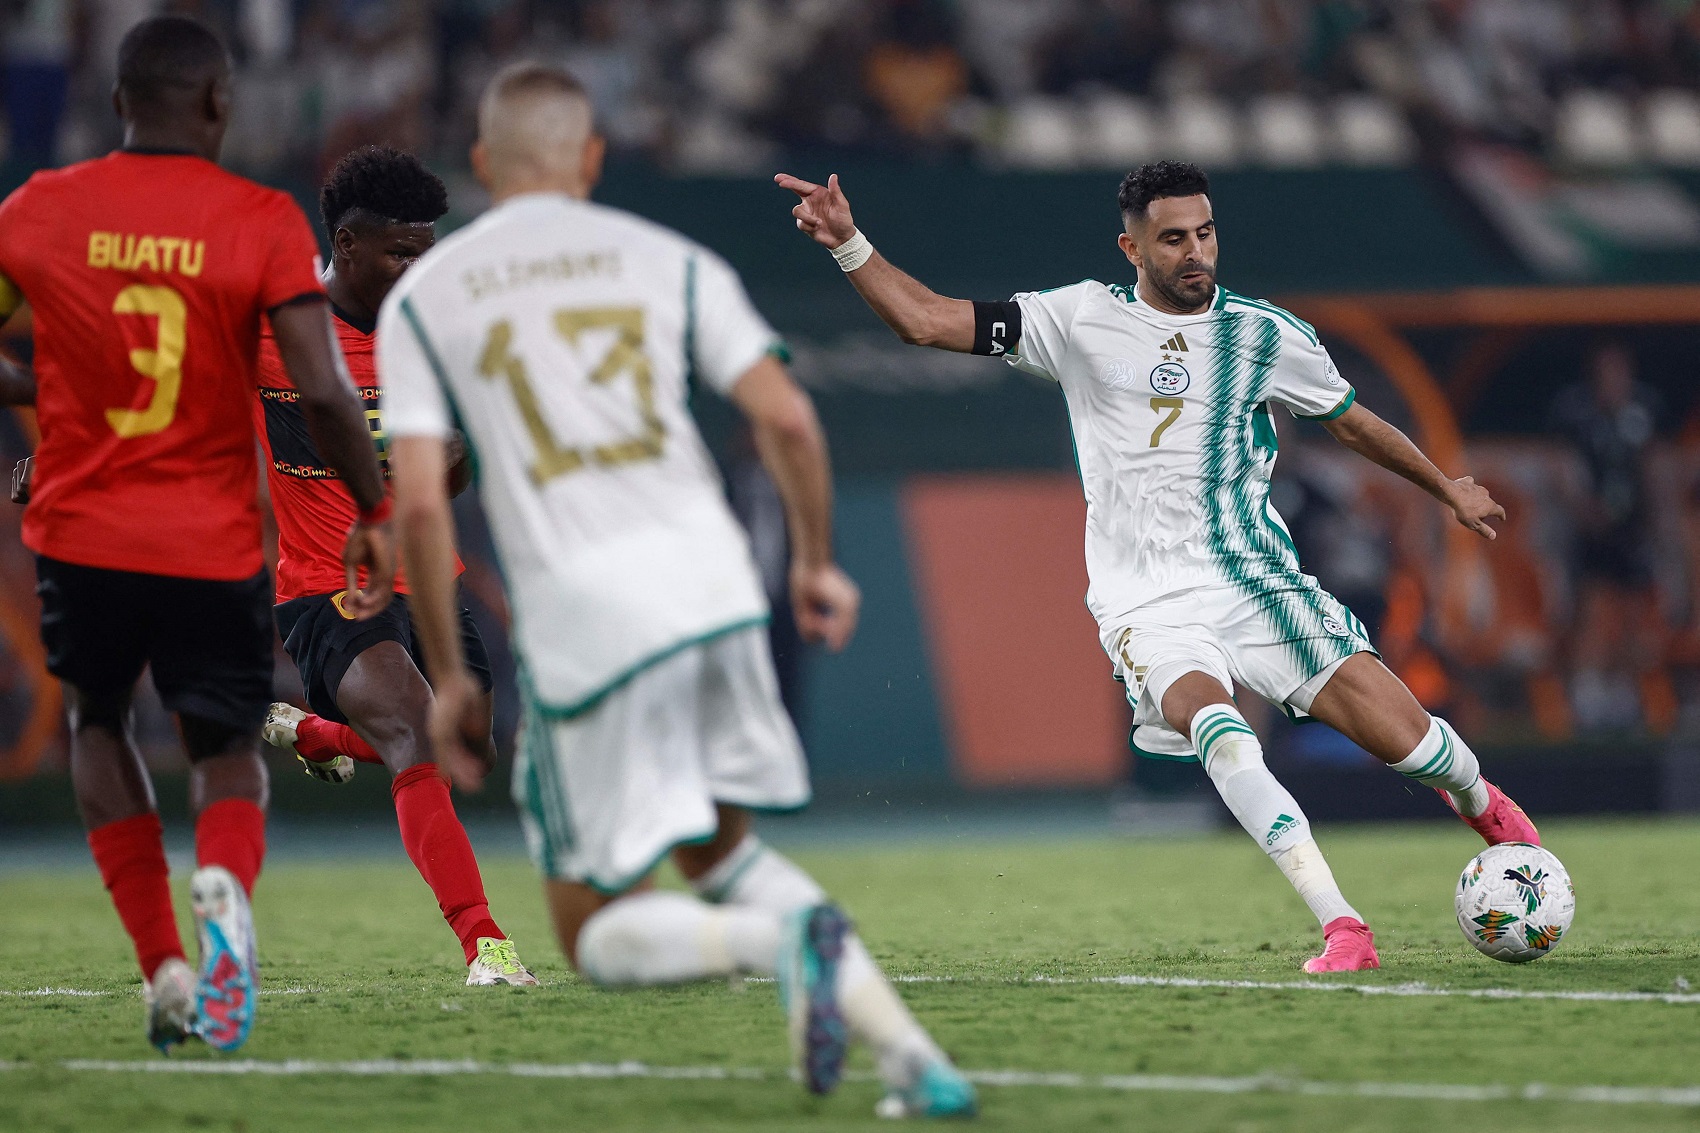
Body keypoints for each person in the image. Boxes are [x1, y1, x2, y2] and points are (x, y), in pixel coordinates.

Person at [381, 63, 976, 1119]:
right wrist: (813, 560)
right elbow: (786, 417)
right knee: (724, 852)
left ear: (479, 163)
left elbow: (421, 506)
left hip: (588, 623)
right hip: (716, 591)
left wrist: (450, 675)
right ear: (592, 157)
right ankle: (916, 1062)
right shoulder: (670, 259)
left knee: (591, 932)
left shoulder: (426, 296)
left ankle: (775, 946)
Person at [776, 159, 1539, 974]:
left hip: (1257, 582)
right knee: (1223, 735)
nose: (1195, 251)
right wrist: (848, 242)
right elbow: (926, 320)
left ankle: (1486, 807)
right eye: (1173, 238)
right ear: (1131, 248)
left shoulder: (1266, 335)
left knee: (1420, 750)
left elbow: (1350, 420)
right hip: (1145, 602)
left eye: (1205, 233)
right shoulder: (1078, 318)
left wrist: (1446, 486)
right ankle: (1343, 925)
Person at [0, 17, 393, 1052]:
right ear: (219, 102)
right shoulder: (258, 219)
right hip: (206, 539)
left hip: (80, 534)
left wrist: (47, 392)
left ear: (118, 104)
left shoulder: (36, 210)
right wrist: (374, 512)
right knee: (222, 746)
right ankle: (222, 884)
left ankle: (163, 964)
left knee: (97, 725)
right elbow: (322, 388)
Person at [253, 144, 536, 987]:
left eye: (427, 252)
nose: (419, 270)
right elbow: (173, 401)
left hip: (429, 583)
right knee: (416, 728)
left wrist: (455, 455)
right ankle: (486, 944)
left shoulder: (434, 335)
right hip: (327, 587)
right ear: (346, 244)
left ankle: (314, 733)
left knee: (469, 745)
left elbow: (458, 468)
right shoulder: (277, 327)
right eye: (401, 253)